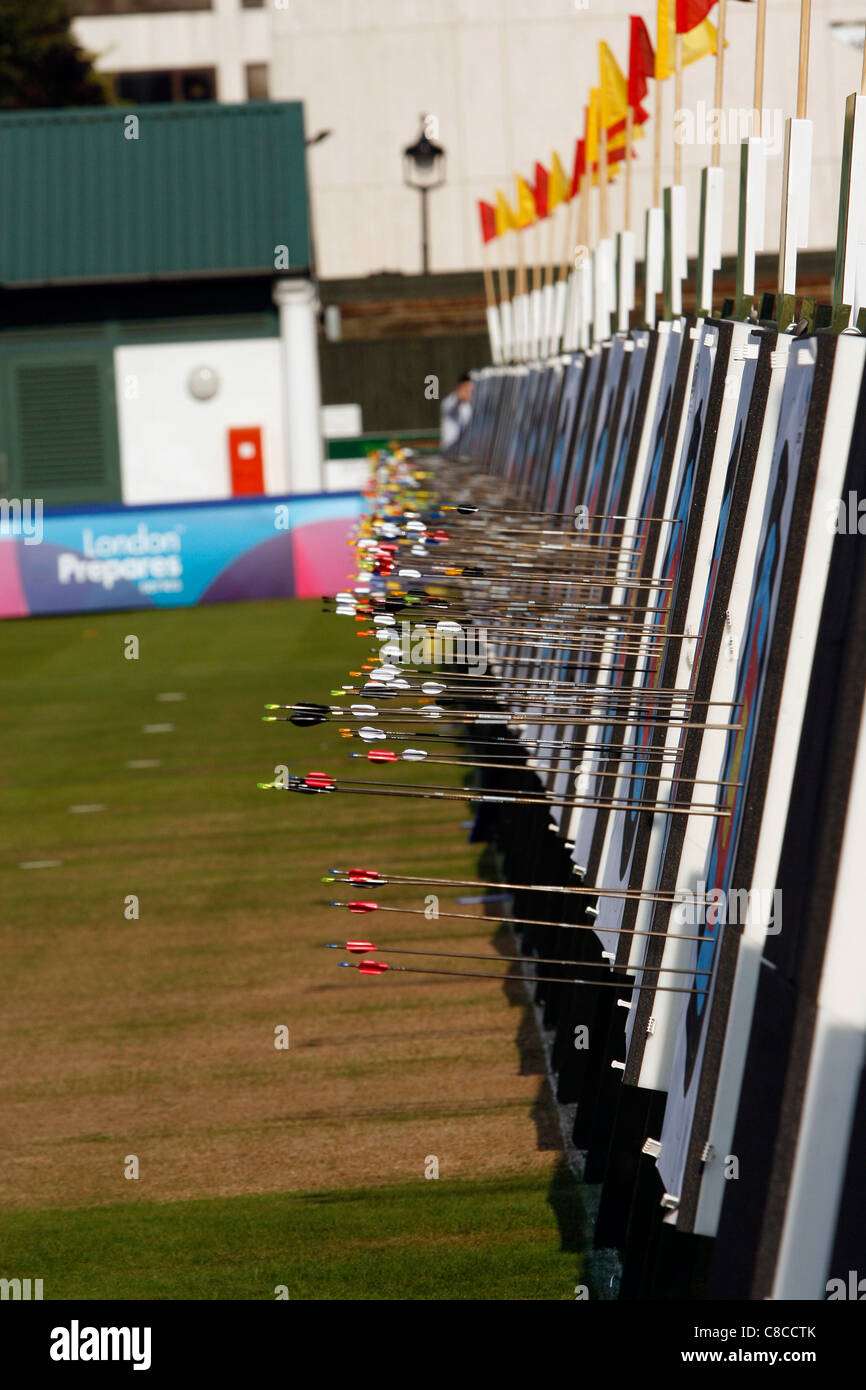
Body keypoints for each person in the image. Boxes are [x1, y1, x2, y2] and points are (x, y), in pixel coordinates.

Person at [440, 372, 473, 451]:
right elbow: (452, 404)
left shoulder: (468, 407)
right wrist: (459, 396)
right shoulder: (448, 402)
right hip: (449, 449)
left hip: (464, 450)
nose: (469, 393)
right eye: (467, 389)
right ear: (461, 387)